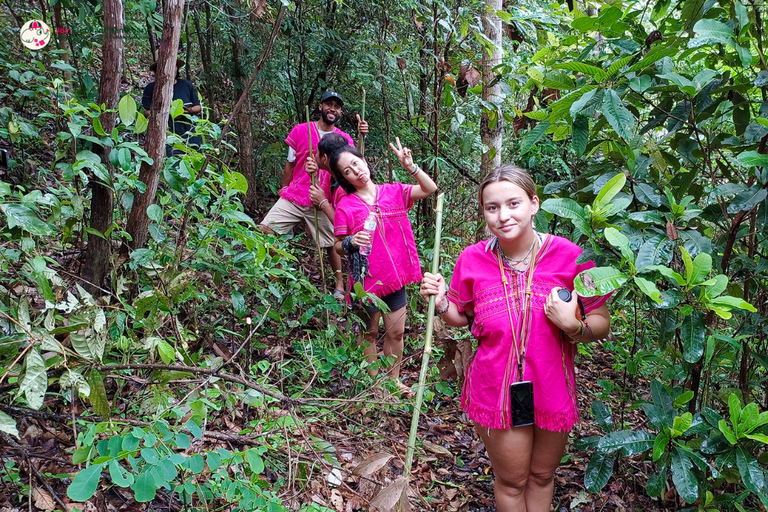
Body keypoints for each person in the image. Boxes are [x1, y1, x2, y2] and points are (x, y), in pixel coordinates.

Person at [419, 165, 611, 512]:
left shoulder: (572, 257)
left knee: (541, 477)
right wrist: (442, 301)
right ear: (484, 212)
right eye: (492, 207)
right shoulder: (472, 259)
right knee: (512, 481)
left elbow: (600, 322)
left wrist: (573, 327)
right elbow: (461, 318)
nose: (503, 216)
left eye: (513, 204)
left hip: (552, 384)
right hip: (497, 387)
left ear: (534, 204)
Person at [330, 138, 437, 385]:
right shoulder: (345, 206)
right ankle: (373, 383)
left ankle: (393, 381)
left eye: (356, 163)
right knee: (369, 333)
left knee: (396, 332)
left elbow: (429, 188)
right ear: (344, 179)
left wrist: (410, 166)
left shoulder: (394, 192)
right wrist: (350, 242)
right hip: (365, 281)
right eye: (347, 171)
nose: (356, 171)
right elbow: (337, 245)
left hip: (394, 277)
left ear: (364, 161)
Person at [260, 91, 368, 298]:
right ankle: (280, 274)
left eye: (337, 106)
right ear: (320, 107)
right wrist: (284, 188)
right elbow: (290, 163)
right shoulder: (302, 130)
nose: (332, 109)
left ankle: (339, 283)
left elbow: (354, 167)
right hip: (296, 195)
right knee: (266, 229)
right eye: (329, 104)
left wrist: (362, 137)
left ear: (340, 112)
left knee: (332, 244)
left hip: (322, 199)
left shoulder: (344, 139)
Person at [141, 58, 202, 157]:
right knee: (173, 164)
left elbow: (198, 107)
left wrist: (189, 110)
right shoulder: (151, 88)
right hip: (166, 134)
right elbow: (146, 112)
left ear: (177, 68)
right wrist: (167, 112)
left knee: (194, 161)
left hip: (189, 132)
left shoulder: (186, 85)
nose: (169, 69)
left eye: (173, 65)